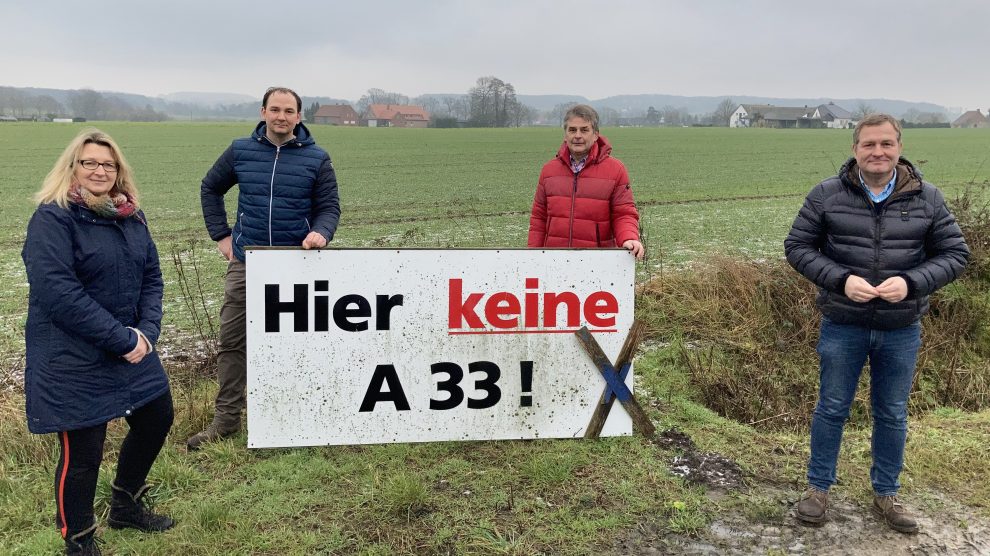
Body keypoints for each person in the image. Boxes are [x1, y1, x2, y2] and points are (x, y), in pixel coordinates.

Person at [784, 114, 969, 533]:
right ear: (855, 150)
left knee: (892, 412)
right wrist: (840, 279)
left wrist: (912, 282)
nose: (878, 152)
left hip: (901, 327)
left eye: (886, 144)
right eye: (869, 144)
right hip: (842, 323)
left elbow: (956, 254)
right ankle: (818, 490)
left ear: (899, 148)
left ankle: (887, 494)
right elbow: (797, 246)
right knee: (831, 407)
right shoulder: (827, 195)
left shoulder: (929, 199)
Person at [22, 129, 174, 555]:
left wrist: (146, 332)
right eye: (89, 162)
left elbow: (152, 279)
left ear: (119, 171)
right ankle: (79, 538)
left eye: (108, 164)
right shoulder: (53, 218)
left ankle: (125, 504)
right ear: (73, 167)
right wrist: (120, 338)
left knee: (156, 416)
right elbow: (58, 293)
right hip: (74, 355)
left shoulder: (130, 216)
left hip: (132, 345)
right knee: (83, 453)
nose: (99, 170)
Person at [187, 87, 340, 450]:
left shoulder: (317, 158)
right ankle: (225, 422)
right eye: (275, 109)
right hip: (247, 263)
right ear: (263, 112)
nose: (281, 117)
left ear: (299, 117)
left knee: (297, 343)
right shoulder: (241, 150)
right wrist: (221, 237)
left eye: (289, 111)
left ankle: (294, 417)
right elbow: (210, 188)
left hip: (297, 266)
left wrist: (321, 232)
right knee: (233, 342)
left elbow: (330, 206)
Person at [527, 104, 644, 260]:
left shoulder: (616, 170)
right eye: (572, 130)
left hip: (597, 261)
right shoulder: (549, 171)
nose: (577, 135)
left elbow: (623, 214)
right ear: (565, 134)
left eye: (584, 130)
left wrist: (629, 237)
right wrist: (532, 255)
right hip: (553, 260)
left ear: (595, 134)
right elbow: (539, 218)